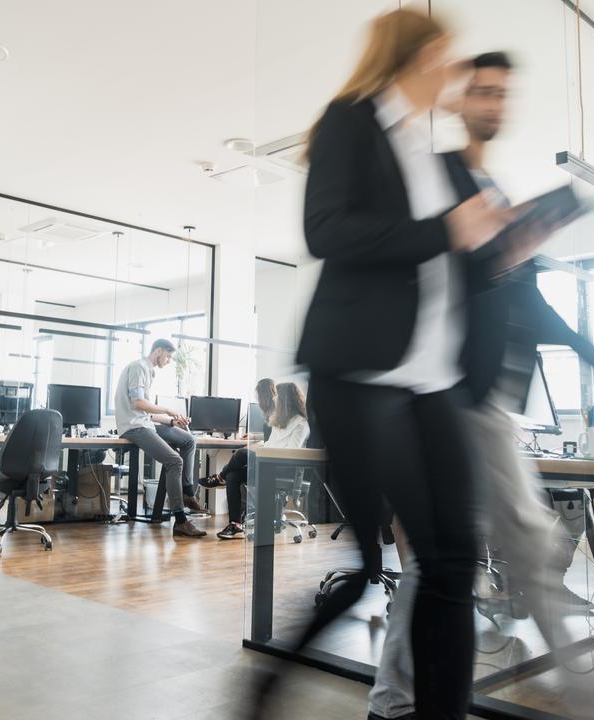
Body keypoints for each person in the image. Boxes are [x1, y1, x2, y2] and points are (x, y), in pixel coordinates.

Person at [251, 9, 520, 720]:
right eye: (449, 60)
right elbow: (326, 230)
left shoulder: (424, 151)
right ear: (423, 54)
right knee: (383, 564)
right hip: (366, 376)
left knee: (454, 561)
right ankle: (267, 685)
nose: (457, 78)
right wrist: (446, 229)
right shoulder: (351, 121)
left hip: (435, 382)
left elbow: (442, 265)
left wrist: (496, 255)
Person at [367, 51, 594, 720]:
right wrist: (498, 250)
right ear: (460, 101)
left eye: (501, 94)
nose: (493, 104)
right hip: (454, 393)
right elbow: (432, 276)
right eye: (482, 92)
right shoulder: (443, 177)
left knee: (446, 558)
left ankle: (392, 698)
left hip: (483, 397)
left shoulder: (490, 191)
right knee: (526, 542)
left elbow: (537, 308)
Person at [114, 338, 208, 538]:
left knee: (189, 440)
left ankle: (187, 492)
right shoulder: (139, 367)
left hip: (144, 423)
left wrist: (172, 421)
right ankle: (181, 521)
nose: (169, 360)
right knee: (175, 461)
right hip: (133, 427)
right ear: (158, 351)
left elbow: (146, 413)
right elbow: (138, 403)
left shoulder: (148, 371)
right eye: (168, 356)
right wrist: (168, 410)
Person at [212, 381, 309, 540]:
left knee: (242, 453)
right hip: (268, 463)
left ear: (285, 400)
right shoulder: (280, 421)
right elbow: (272, 444)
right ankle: (236, 525)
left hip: (283, 468)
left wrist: (260, 451)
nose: (274, 399)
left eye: (277, 396)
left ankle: (219, 477)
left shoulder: (301, 424)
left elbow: (292, 453)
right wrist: (261, 447)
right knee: (234, 476)